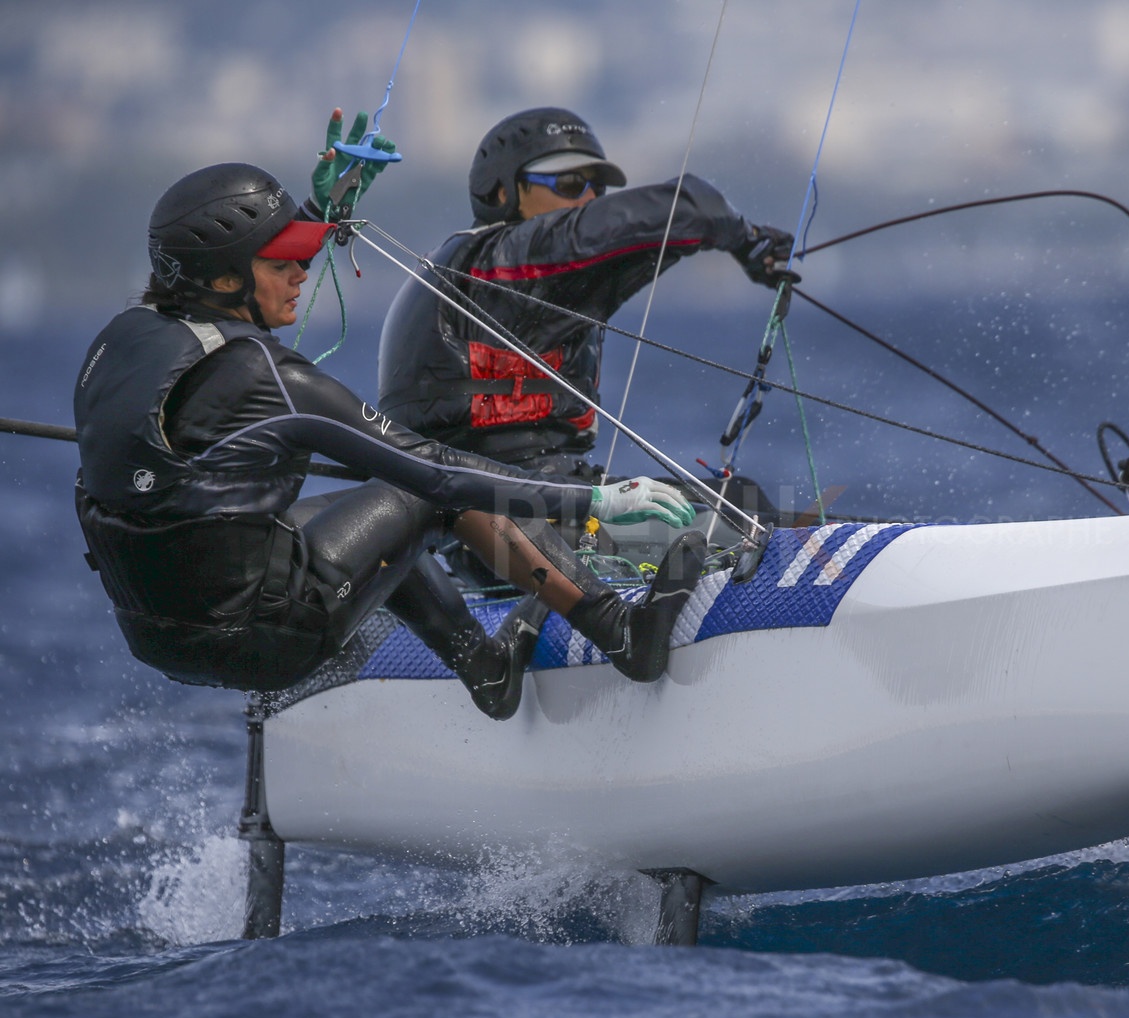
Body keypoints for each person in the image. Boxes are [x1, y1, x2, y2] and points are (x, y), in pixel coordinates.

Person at [73, 134, 706, 722]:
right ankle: (622, 632)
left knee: (365, 504)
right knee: (428, 489)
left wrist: (320, 212)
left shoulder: (120, 345)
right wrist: (594, 500)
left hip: (159, 633)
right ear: (224, 280)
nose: (302, 273)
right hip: (265, 641)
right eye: (282, 261)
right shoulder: (270, 378)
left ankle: (488, 670)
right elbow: (436, 471)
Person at [376, 106, 797, 482]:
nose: (591, 198)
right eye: (571, 183)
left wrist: (739, 245)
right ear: (503, 193)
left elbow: (658, 237)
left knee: (740, 497)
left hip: (543, 487)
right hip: (497, 500)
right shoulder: (500, 260)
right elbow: (692, 209)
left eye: (597, 187)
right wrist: (746, 238)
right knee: (737, 511)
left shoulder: (534, 271)